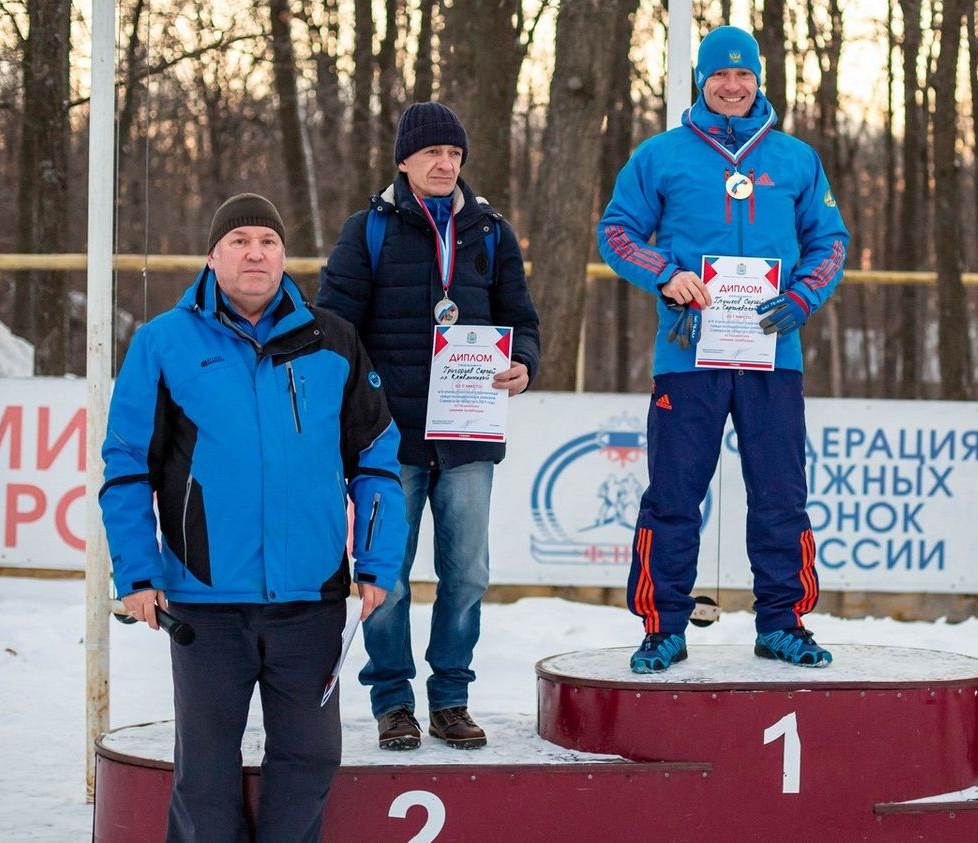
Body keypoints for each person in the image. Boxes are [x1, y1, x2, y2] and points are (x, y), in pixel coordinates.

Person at [100, 193, 406, 840]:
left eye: (267, 240)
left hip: (312, 599)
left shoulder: (335, 341)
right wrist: (135, 573)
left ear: (284, 255)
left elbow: (378, 456)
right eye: (238, 239)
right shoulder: (162, 343)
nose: (255, 252)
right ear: (213, 256)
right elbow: (127, 465)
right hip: (204, 604)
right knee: (206, 772)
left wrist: (377, 560)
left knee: (310, 757)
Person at [595, 26, 850, 674]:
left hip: (773, 353)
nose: (732, 87)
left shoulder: (795, 158)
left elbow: (832, 241)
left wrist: (802, 298)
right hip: (688, 353)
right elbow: (617, 231)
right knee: (674, 494)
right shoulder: (662, 155)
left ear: (759, 81)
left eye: (744, 77)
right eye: (720, 76)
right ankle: (663, 626)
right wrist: (664, 272)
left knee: (781, 494)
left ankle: (783, 621)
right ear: (701, 81)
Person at [318, 102, 540, 751]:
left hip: (468, 435)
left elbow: (521, 318)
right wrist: (364, 406)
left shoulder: (491, 232)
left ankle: (450, 696)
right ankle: (392, 700)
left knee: (467, 572)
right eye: (432, 153)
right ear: (405, 161)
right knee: (385, 574)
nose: (445, 164)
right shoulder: (369, 231)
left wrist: (524, 363)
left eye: (454, 154)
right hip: (392, 441)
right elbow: (333, 327)